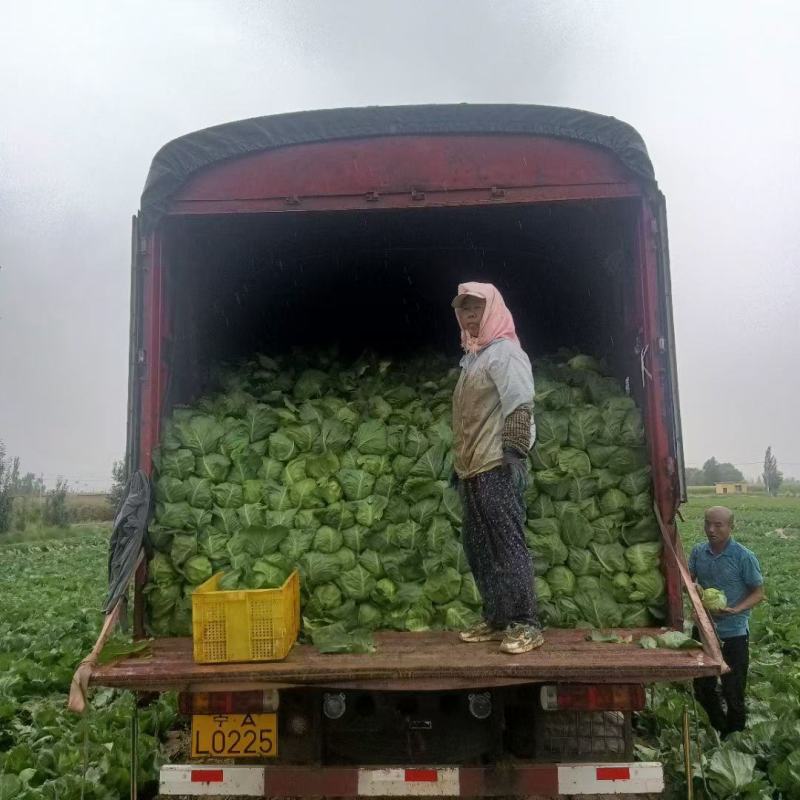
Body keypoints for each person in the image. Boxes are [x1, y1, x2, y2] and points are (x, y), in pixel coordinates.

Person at [450, 281, 543, 655]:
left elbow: (519, 403)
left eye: (476, 310)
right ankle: (498, 617)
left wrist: (514, 452)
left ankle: (526, 623)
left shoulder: (504, 353)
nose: (470, 317)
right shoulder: (473, 356)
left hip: (497, 464)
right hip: (472, 467)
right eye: (463, 310)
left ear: (490, 311)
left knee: (506, 544)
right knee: (478, 546)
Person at [689, 506, 764, 737]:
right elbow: (689, 581)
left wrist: (736, 609)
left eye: (718, 525)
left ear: (731, 527)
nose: (711, 529)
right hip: (703, 630)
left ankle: (736, 735)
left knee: (733, 690)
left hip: (734, 633)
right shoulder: (698, 552)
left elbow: (758, 592)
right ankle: (719, 728)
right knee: (702, 688)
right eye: (707, 523)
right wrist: (694, 590)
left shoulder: (743, 556)